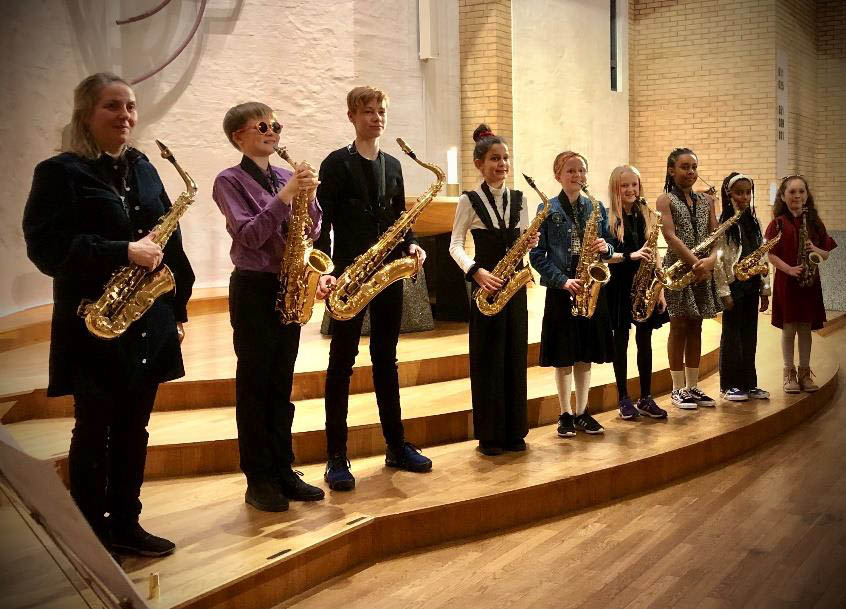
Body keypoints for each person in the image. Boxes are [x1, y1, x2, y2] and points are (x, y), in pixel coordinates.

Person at [22, 73, 194, 556]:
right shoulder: (60, 172)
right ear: (86, 114)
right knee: (94, 426)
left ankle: (126, 521)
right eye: (112, 107)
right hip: (93, 320)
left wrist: (176, 306)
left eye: (131, 107)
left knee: (134, 427)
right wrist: (121, 251)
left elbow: (168, 238)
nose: (125, 117)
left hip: (147, 319)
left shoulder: (142, 165)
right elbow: (47, 249)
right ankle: (89, 532)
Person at [314, 86, 432, 490]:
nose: (376, 117)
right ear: (351, 116)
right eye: (367, 111)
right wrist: (325, 270)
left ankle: (396, 446)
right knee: (341, 364)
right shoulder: (334, 164)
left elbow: (401, 218)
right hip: (349, 275)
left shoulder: (394, 165)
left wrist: (412, 242)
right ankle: (336, 456)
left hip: (387, 275)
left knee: (387, 359)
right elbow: (320, 226)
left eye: (381, 110)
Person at [213, 102, 326, 512]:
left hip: (289, 283)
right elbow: (249, 235)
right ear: (238, 137)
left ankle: (283, 469)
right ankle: (257, 477)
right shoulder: (228, 180)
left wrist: (309, 199)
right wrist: (287, 195)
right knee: (255, 385)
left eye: (276, 124)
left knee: (281, 384)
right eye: (262, 125)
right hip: (254, 289)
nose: (272, 130)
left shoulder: (284, 175)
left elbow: (311, 230)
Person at [448, 124, 537, 456]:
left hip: (512, 286)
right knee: (487, 359)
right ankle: (489, 435)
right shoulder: (468, 200)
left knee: (513, 356)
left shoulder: (520, 198)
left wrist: (530, 241)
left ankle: (515, 430)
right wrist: (476, 272)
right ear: (479, 163)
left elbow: (525, 239)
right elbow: (455, 245)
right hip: (485, 285)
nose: (502, 164)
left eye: (505, 158)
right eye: (495, 159)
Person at [530, 151, 615, 437]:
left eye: (581, 171)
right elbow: (536, 255)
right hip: (562, 289)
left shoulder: (596, 207)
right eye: (571, 171)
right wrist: (561, 280)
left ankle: (583, 412)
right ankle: (565, 412)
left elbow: (611, 246)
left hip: (590, 288)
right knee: (563, 355)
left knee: (585, 354)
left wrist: (607, 248)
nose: (577, 176)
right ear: (558, 176)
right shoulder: (547, 208)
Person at [656, 148, 720, 410]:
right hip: (679, 270)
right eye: (684, 167)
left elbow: (716, 235)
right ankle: (676, 388)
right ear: (672, 170)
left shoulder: (707, 201)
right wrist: (695, 263)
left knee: (697, 326)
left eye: (694, 167)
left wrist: (711, 261)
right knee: (679, 326)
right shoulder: (665, 199)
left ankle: (693, 386)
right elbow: (670, 236)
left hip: (704, 269)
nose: (690, 172)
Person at [605, 165, 669, 420]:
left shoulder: (647, 214)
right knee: (620, 342)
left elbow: (655, 255)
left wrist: (659, 290)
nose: (631, 190)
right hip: (618, 284)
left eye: (635, 185)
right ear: (615, 188)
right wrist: (629, 256)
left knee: (645, 342)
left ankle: (646, 397)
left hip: (645, 285)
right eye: (625, 186)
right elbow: (603, 257)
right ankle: (623, 398)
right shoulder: (607, 217)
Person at [764, 175, 837, 393]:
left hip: (809, 283)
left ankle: (805, 372)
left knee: (805, 328)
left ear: (807, 195)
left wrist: (815, 250)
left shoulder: (814, 223)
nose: (797, 196)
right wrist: (788, 269)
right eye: (792, 192)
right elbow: (770, 254)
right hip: (787, 282)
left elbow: (826, 254)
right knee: (788, 329)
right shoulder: (776, 224)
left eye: (801, 191)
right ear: (783, 197)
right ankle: (789, 373)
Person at [713, 173, 771, 402]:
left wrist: (765, 289)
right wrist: (724, 292)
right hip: (733, 285)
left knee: (750, 335)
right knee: (732, 336)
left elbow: (762, 256)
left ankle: (750, 383)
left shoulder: (754, 221)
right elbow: (717, 261)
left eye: (748, 192)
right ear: (729, 195)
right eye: (739, 192)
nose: (744, 197)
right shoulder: (724, 223)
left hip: (752, 284)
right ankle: (729, 385)